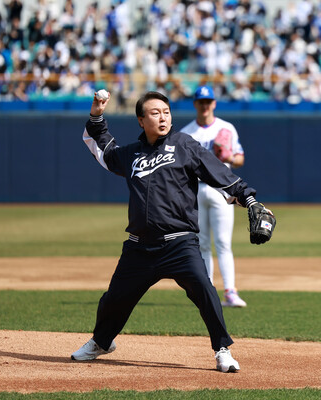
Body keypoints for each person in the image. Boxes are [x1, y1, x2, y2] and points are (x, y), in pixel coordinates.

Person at [71, 90, 275, 372]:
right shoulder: (131, 154)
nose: (163, 117)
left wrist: (249, 198)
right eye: (155, 113)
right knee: (114, 299)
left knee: (205, 290)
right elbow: (103, 148)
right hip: (139, 247)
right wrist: (97, 114)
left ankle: (222, 349)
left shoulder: (184, 145)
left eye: (166, 112)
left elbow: (220, 174)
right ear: (141, 120)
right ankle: (102, 342)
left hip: (179, 244)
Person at [179, 86, 247, 307]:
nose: (205, 105)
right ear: (195, 104)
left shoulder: (226, 128)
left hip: (222, 189)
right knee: (202, 243)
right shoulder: (186, 133)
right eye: (201, 101)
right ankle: (206, 292)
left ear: (214, 103)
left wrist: (229, 156)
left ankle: (230, 291)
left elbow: (239, 159)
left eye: (208, 101)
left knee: (223, 242)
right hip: (196, 189)